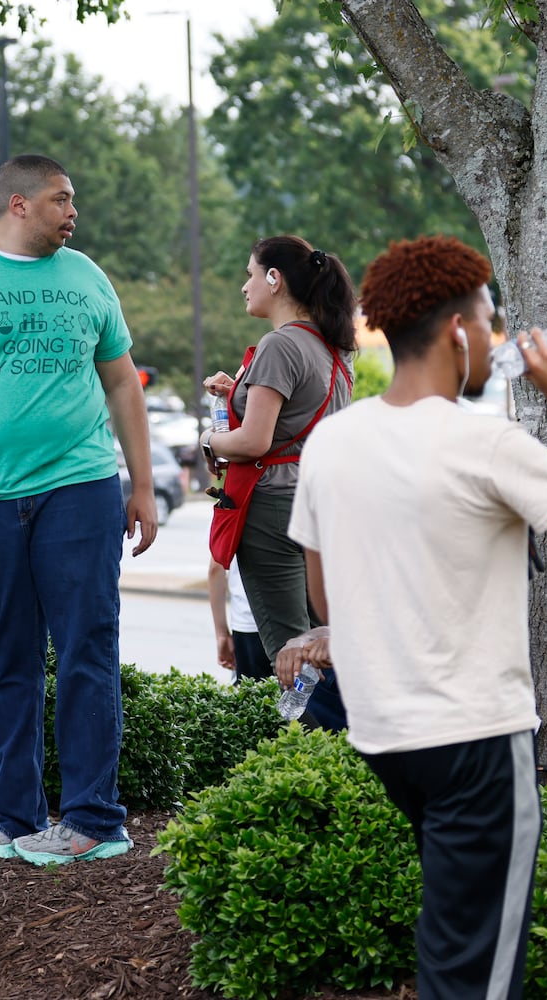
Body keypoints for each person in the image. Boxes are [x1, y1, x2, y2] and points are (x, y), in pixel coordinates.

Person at [286, 235, 547, 999]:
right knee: (477, 972)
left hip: (385, 733)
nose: (494, 336)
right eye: (489, 318)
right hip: (477, 741)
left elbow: (327, 600)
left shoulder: (333, 439)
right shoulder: (484, 442)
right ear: (459, 331)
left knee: (458, 936)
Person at [0, 153, 158, 866]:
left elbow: (123, 387)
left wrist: (141, 484)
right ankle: (14, 818)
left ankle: (93, 819)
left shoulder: (88, 278)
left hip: (80, 488)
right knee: (8, 659)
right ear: (17, 203)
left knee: (86, 651)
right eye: (60, 200)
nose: (73, 212)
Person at [200, 235, 356, 729]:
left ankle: (311, 767)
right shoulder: (331, 346)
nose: (244, 286)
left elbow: (252, 443)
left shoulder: (278, 344)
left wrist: (209, 438)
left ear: (275, 279)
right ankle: (352, 759)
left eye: (251, 274)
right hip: (319, 503)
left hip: (271, 510)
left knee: (292, 654)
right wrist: (239, 391)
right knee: (325, 640)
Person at [207, 556, 267, 682]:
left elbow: (216, 567)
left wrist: (222, 634)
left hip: (248, 622)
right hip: (295, 621)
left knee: (254, 696)